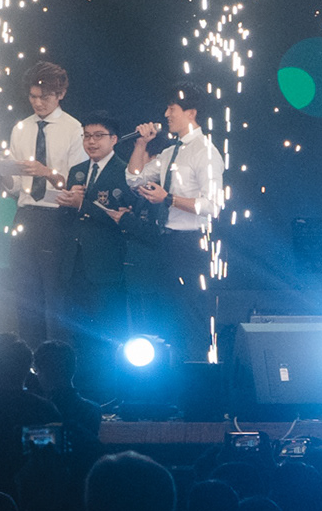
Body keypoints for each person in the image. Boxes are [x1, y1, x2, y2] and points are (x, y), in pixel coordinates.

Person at [127, 89, 226, 406]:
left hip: (192, 242)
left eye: (172, 108)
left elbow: (212, 205)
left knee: (190, 316)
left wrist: (167, 198)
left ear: (191, 113)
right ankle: (166, 392)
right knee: (166, 315)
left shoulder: (206, 152)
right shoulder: (171, 151)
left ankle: (196, 396)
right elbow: (134, 179)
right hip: (165, 240)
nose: (167, 114)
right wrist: (141, 144)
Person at [0, 59, 88, 346]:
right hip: (25, 215)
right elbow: (16, 188)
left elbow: (79, 183)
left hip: (57, 217)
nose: (38, 103)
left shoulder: (74, 129)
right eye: (33, 97)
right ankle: (28, 356)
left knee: (55, 294)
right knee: (25, 293)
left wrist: (47, 172)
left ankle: (57, 356)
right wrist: (2, 172)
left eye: (45, 97)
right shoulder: (21, 128)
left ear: (60, 94)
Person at [56, 114, 134, 356]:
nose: (91, 142)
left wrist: (82, 204)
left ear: (114, 139)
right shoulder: (77, 171)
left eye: (98, 136)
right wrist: (66, 203)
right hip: (75, 264)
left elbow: (120, 220)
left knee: (107, 333)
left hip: (106, 265)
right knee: (76, 333)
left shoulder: (126, 172)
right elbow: (66, 220)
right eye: (87, 136)